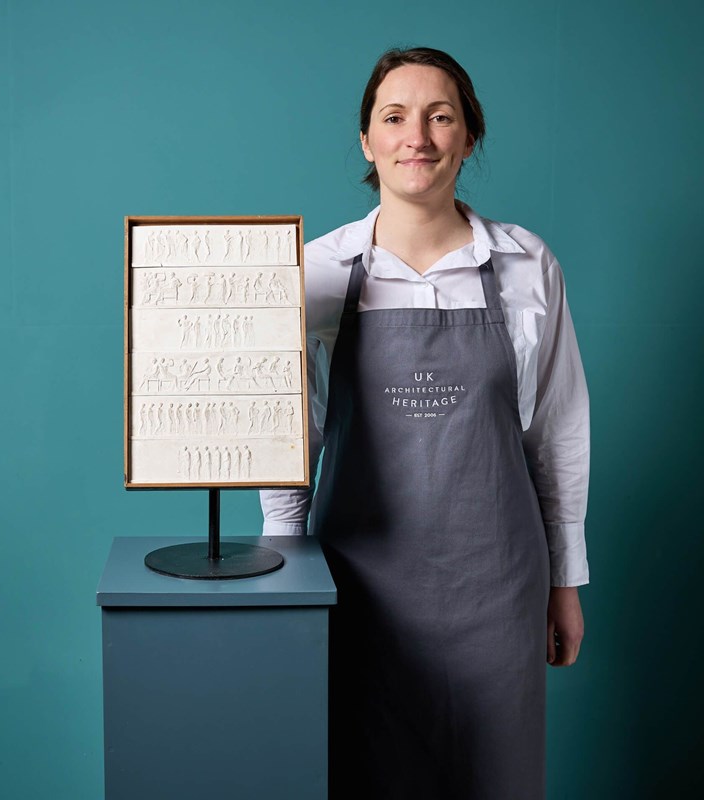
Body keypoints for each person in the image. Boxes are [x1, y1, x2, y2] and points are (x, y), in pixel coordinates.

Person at [260, 47, 589, 799]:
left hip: (499, 588)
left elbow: (558, 432)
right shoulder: (317, 272)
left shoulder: (527, 264)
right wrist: (287, 578)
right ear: (367, 141)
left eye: (440, 117)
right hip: (355, 584)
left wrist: (565, 581)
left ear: (469, 136)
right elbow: (289, 439)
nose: (418, 136)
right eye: (395, 117)